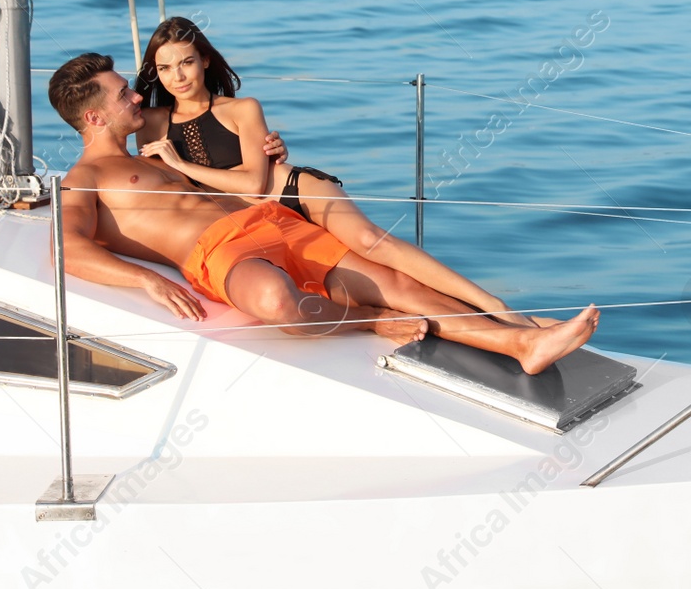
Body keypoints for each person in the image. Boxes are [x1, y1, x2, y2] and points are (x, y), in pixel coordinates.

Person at [48, 52, 598, 375]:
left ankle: (521, 341)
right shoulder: (85, 178)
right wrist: (146, 280)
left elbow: (217, 128)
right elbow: (69, 249)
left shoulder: (152, 146)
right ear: (94, 117)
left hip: (269, 220)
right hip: (218, 253)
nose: (137, 99)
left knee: (396, 283)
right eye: (124, 96)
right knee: (277, 304)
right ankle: (373, 323)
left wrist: (272, 152)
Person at [133, 16, 552, 327]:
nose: (177, 76)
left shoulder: (242, 108)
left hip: (297, 192)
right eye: (166, 68)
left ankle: (499, 308)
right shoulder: (151, 122)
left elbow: (255, 184)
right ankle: (473, 325)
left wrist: (180, 163)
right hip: (253, 221)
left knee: (375, 243)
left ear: (205, 60)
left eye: (186, 62)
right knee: (375, 279)